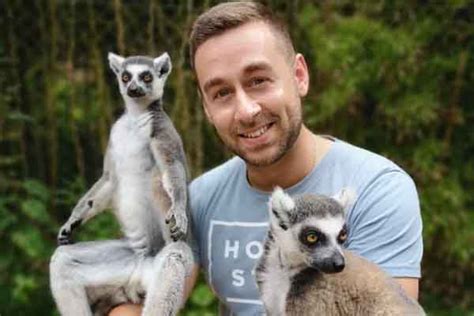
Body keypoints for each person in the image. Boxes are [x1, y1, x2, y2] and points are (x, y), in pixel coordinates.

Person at [109, 1, 423, 315]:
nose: (246, 111)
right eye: (222, 93)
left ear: (299, 76)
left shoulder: (376, 189)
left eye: (258, 80)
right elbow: (135, 304)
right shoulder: (200, 199)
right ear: (206, 108)